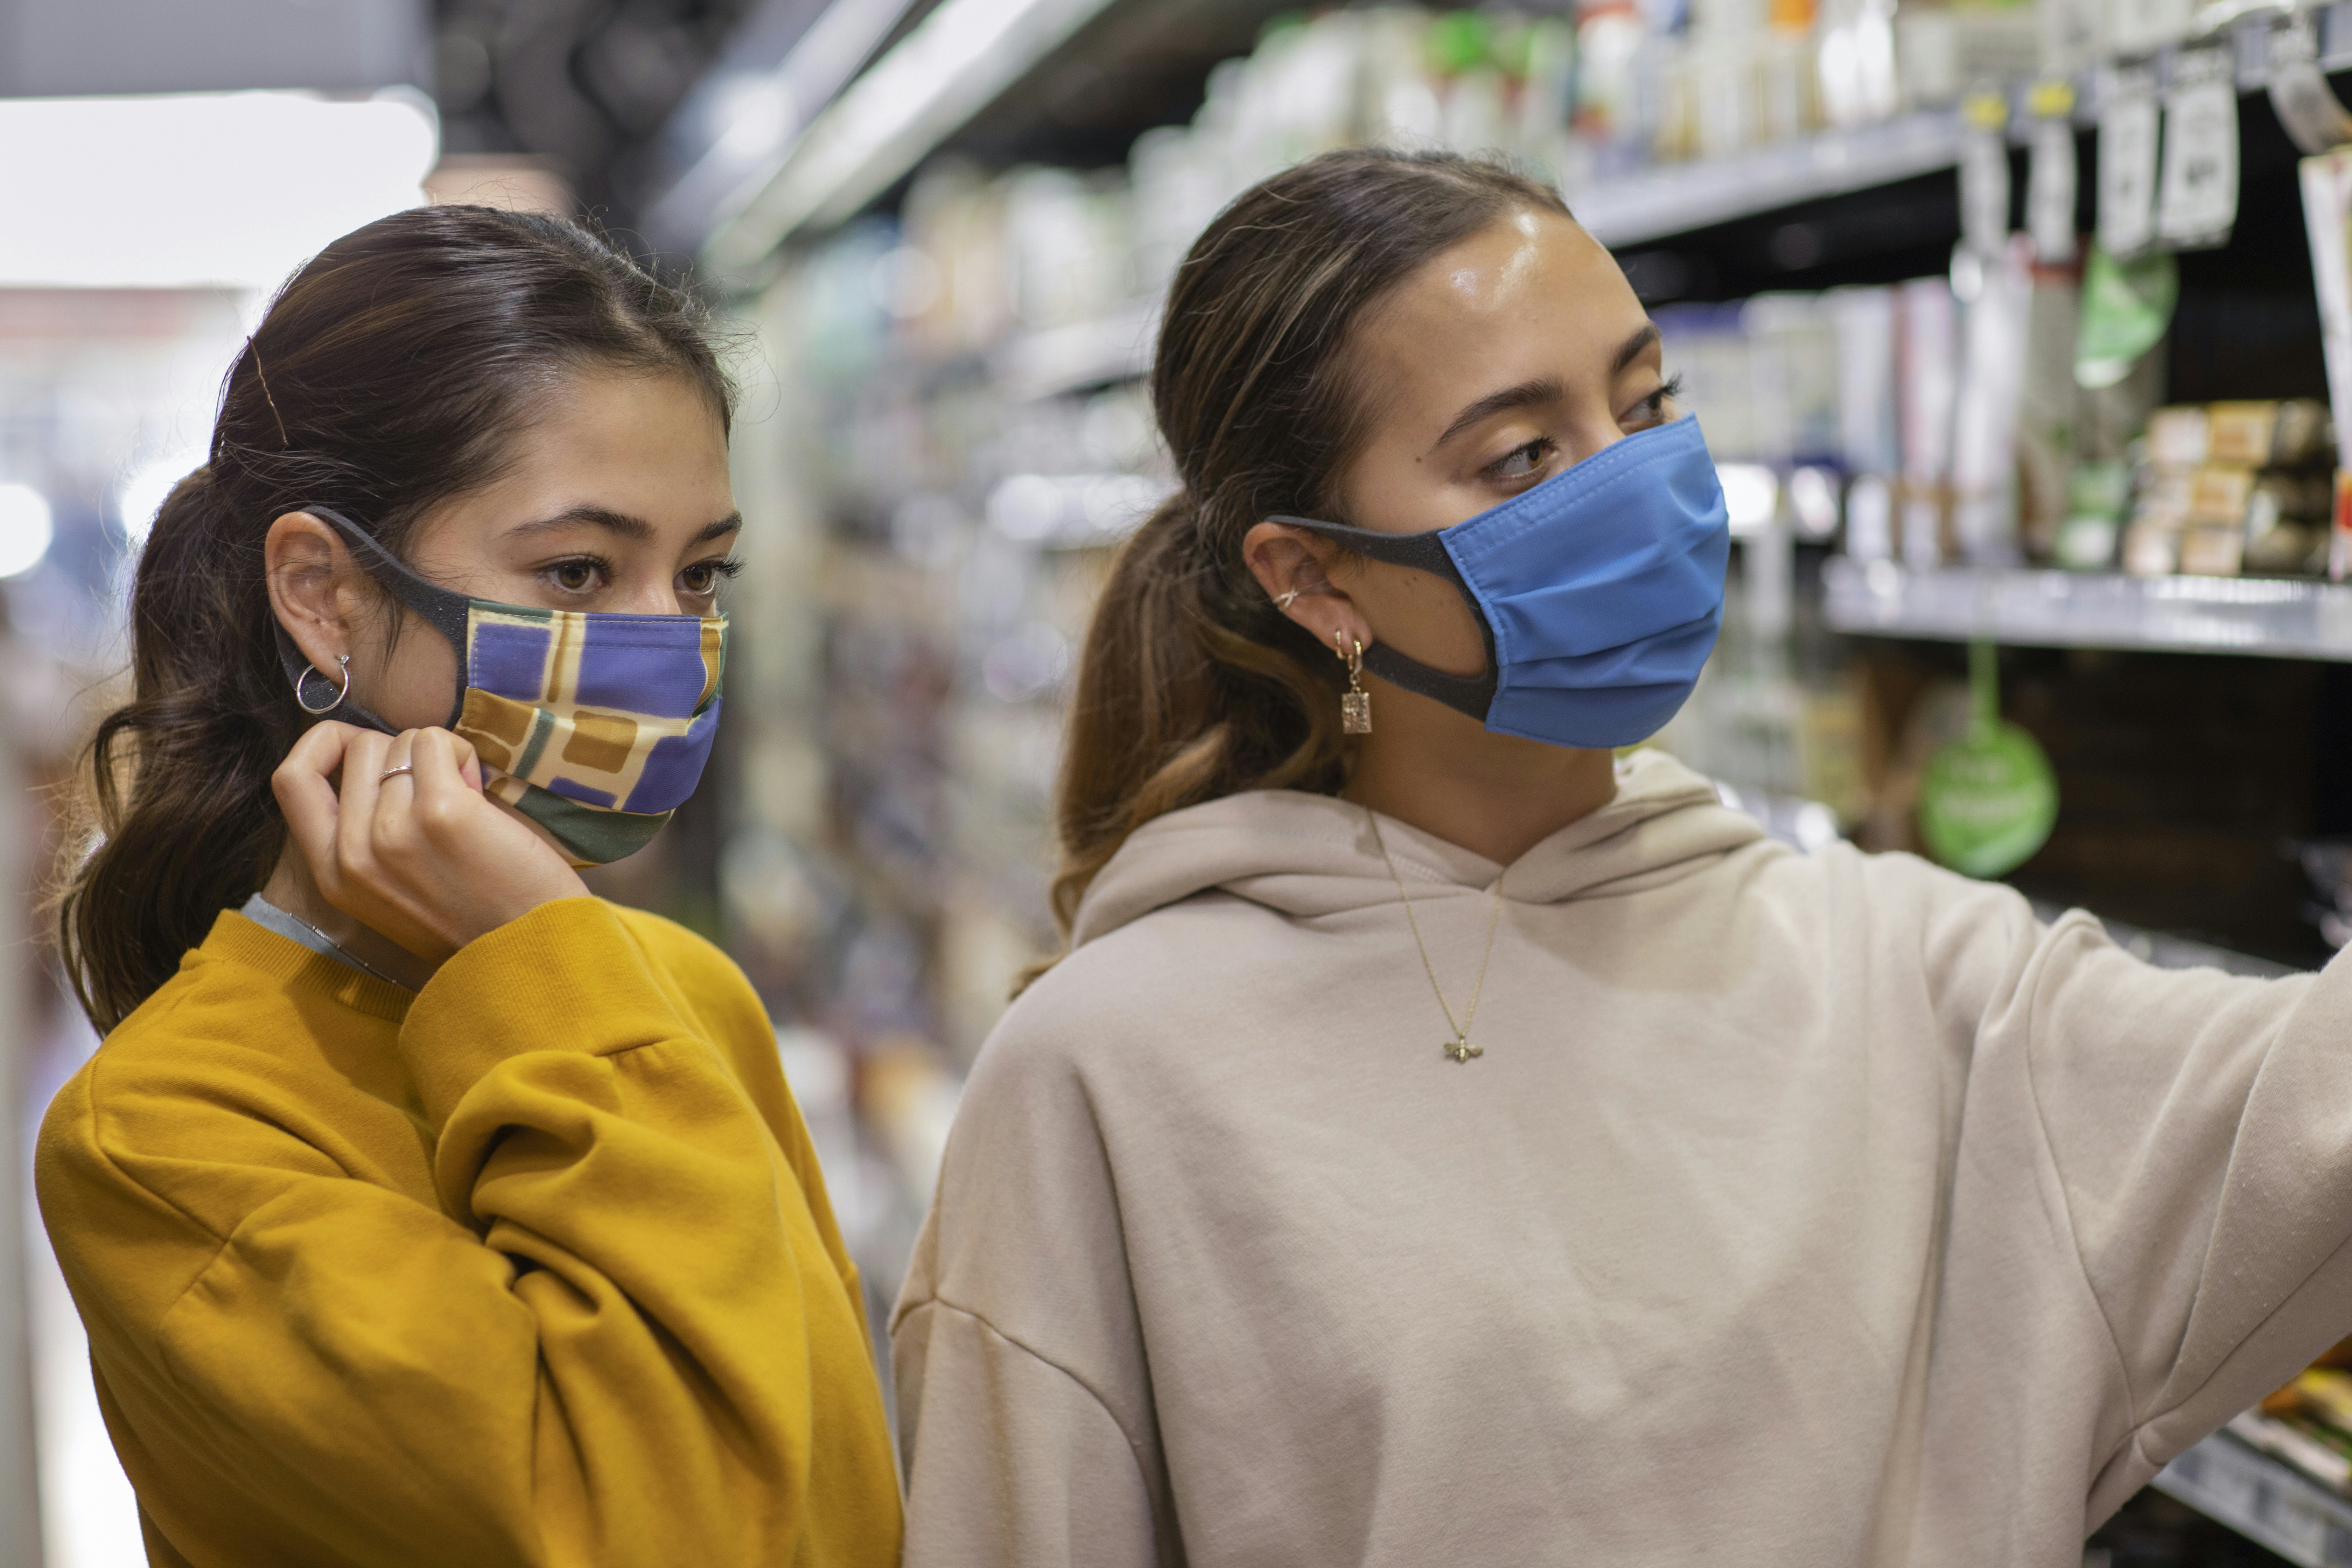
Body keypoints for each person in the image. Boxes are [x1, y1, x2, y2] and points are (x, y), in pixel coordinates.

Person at [890, 146, 2352, 1565]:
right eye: (1523, 454)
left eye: (1649, 404)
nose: (1643, 485)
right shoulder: (1104, 1077)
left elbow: (2315, 1108)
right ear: (1316, 578)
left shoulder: (1908, 976)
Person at [40, 206, 902, 1565]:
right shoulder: (161, 1139)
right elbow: (683, 1529)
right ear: (323, 595)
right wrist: (541, 963)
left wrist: (552, 953)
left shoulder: (680, 993)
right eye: (576, 570)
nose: (670, 649)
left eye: (702, 574)